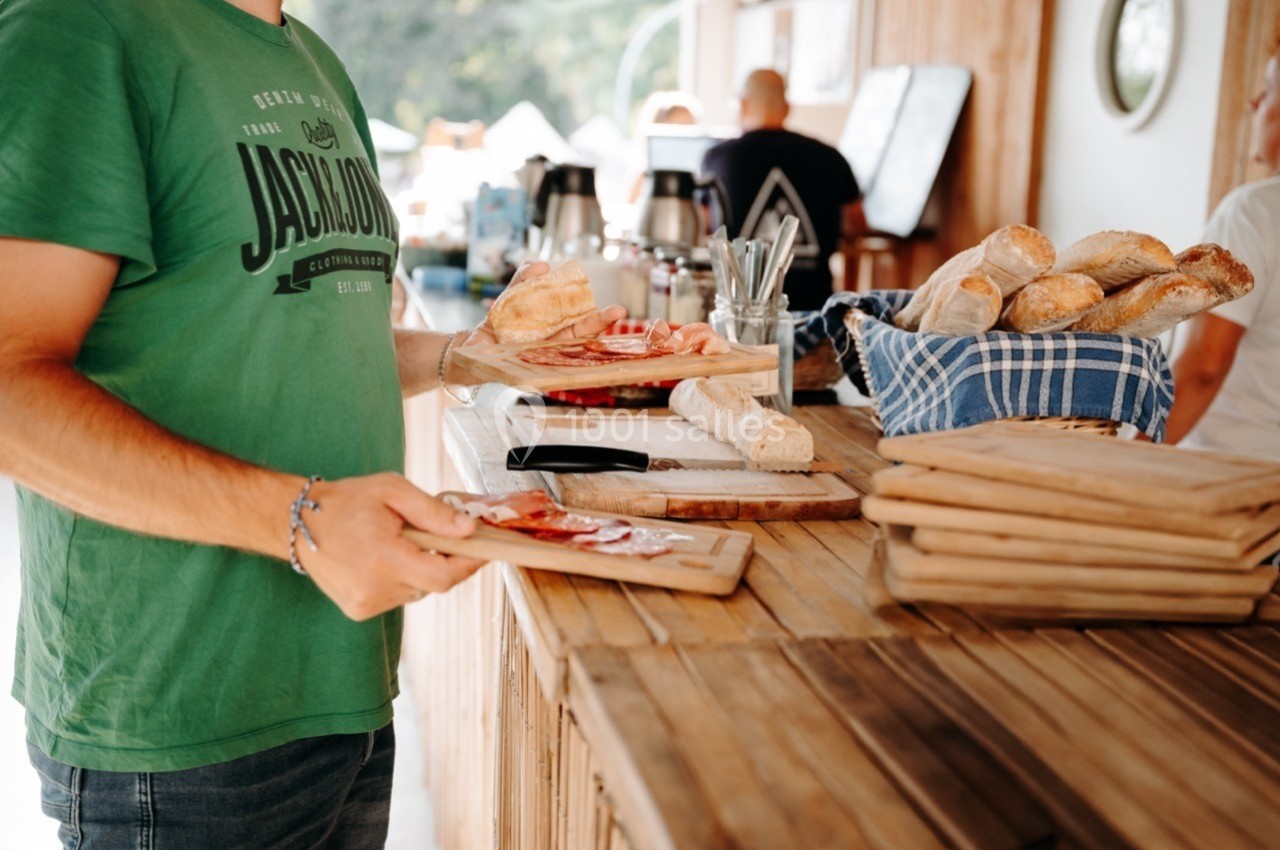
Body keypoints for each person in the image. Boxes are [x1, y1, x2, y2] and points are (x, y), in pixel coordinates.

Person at [0, 1, 622, 847]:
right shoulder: (78, 29)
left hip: (344, 686)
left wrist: (477, 356)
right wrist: (298, 521)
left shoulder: (314, 63)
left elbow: (307, 323)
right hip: (177, 724)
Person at [1166, 47, 1280, 461]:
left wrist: (1128, 457)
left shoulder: (1253, 213)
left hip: (1231, 478)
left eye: (1268, 89)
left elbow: (1203, 368)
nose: (1255, 103)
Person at [700, 69, 863, 312]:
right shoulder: (830, 158)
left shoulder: (717, 159)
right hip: (814, 312)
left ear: (743, 105)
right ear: (787, 108)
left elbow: (704, 227)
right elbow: (857, 225)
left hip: (738, 315)